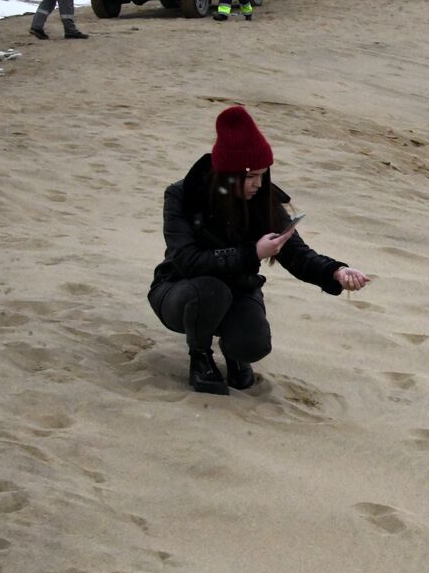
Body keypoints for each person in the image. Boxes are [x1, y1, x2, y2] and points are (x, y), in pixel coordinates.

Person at [148, 105, 369, 394]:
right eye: (250, 176)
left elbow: (297, 254)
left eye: (263, 174)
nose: (258, 184)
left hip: (239, 290)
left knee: (253, 344)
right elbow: (187, 260)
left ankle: (234, 353)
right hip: (178, 289)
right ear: (228, 174)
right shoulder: (182, 195)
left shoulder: (263, 200)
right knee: (210, 291)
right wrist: (251, 254)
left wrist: (337, 271)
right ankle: (199, 356)